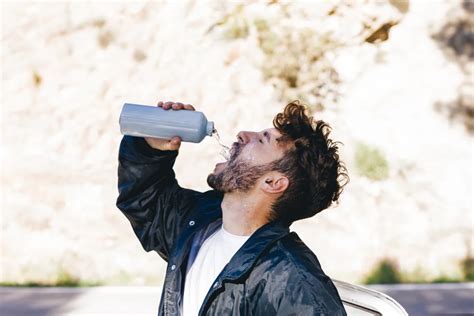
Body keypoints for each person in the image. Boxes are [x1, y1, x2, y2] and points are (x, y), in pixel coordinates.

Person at [116, 100, 349, 315]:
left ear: (273, 182)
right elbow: (145, 201)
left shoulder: (292, 280)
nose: (243, 135)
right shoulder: (198, 223)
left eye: (261, 139)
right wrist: (151, 148)